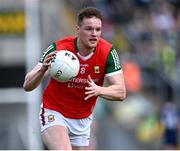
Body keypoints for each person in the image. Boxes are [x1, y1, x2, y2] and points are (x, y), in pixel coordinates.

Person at [23, 6, 126, 150]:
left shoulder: (108, 52)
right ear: (78, 29)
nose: (94, 34)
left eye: (98, 29)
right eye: (89, 29)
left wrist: (98, 90)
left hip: (82, 119)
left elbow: (121, 92)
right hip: (54, 111)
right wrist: (42, 70)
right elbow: (27, 85)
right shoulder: (58, 48)